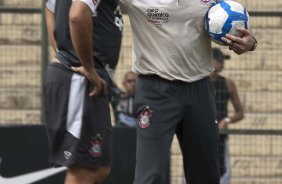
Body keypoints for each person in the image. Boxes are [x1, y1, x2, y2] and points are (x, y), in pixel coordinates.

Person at [119, 0, 257, 184]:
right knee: (150, 176)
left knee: (206, 175)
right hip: (154, 92)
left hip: (199, 89)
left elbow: (245, 36)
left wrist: (251, 43)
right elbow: (89, 8)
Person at [44, 0, 122, 183]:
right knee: (86, 170)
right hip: (80, 79)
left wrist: (64, 54)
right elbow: (77, 16)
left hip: (81, 78)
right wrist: (86, 66)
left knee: (99, 167)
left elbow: (49, 9)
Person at [210, 48, 244, 184]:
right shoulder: (196, 83)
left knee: (222, 173)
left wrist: (227, 120)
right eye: (219, 60)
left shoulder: (228, 84)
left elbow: (240, 112)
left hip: (220, 137)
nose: (222, 63)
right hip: (198, 137)